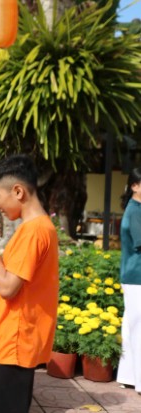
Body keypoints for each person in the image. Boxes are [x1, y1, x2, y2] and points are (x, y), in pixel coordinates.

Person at [0, 154, 59, 413]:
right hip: (11, 342)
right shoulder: (38, 228)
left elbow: (8, 288)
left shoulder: (33, 231)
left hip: (12, 345)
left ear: (18, 191)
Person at [116, 167, 141, 394]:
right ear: (135, 186)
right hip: (137, 276)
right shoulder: (135, 211)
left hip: (133, 276)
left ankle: (128, 376)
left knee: (132, 326)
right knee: (138, 329)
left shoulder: (135, 209)